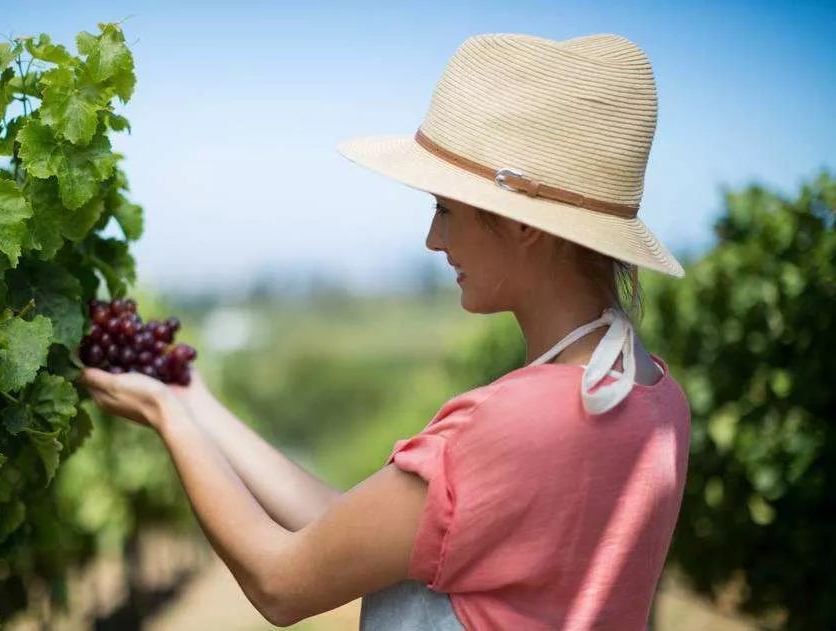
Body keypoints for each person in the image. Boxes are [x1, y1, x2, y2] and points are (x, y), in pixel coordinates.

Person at [78, 32, 691, 631]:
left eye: (445, 208)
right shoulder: (655, 399)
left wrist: (168, 418)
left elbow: (280, 583)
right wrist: (198, 405)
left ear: (522, 223)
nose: (434, 238)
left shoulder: (515, 421)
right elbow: (350, 532)